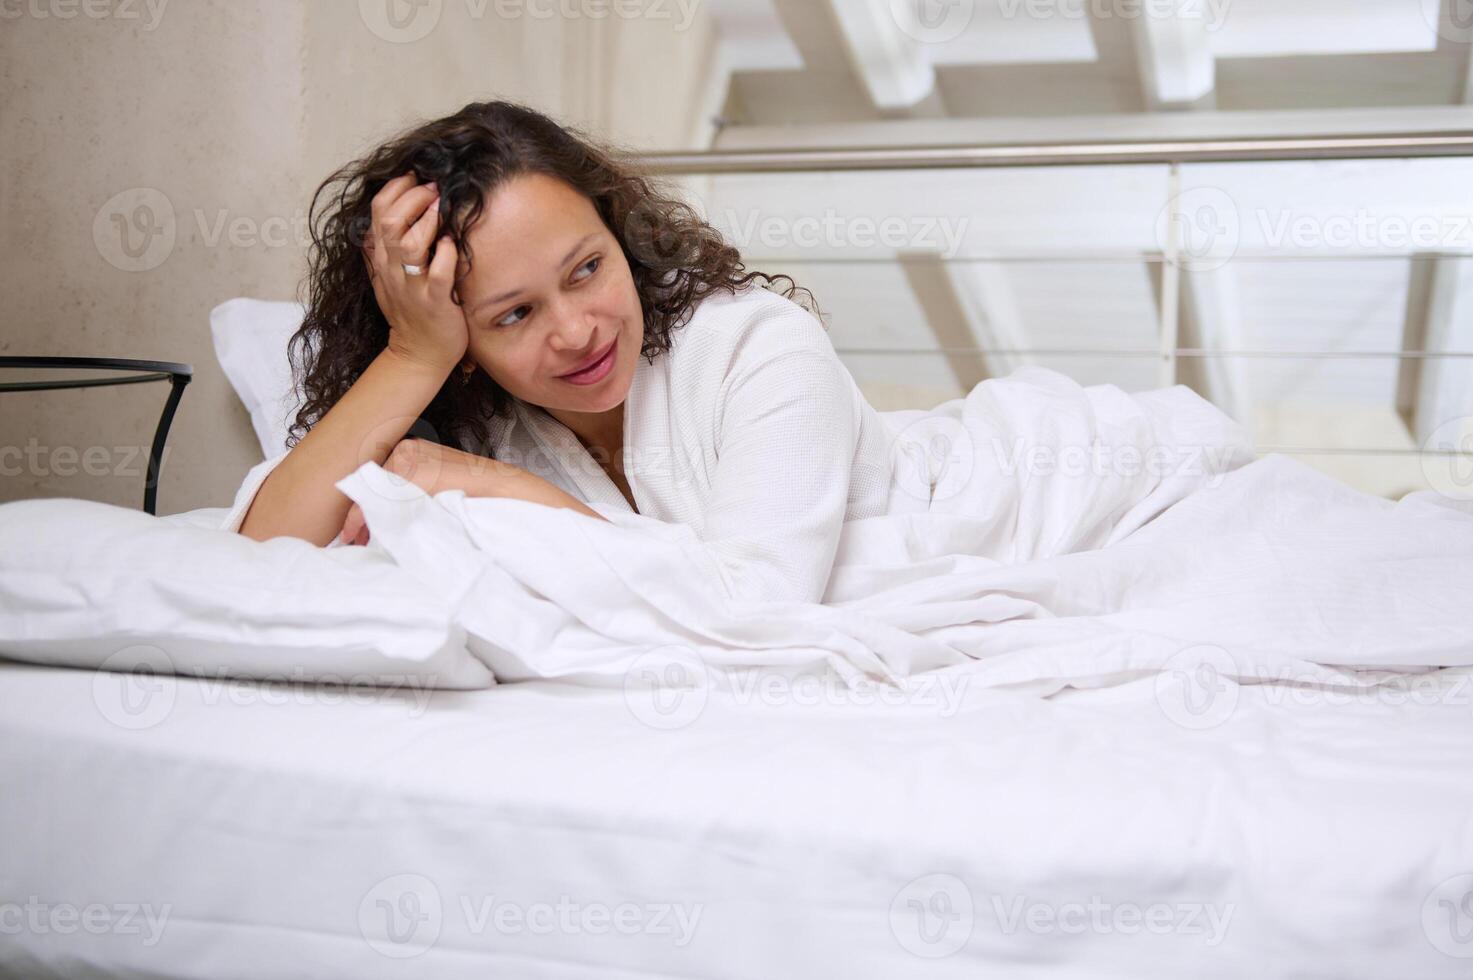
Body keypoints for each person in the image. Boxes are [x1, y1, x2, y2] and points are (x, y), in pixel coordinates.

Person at [225, 99, 897, 604]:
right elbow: (258, 558)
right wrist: (412, 357)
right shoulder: (482, 416)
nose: (577, 332)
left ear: (619, 233)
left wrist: (495, 486)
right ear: (457, 336)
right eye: (514, 313)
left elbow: (756, 609)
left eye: (585, 269)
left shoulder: (760, 348)